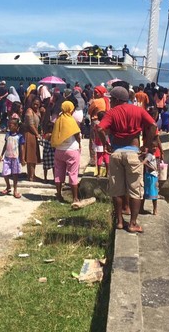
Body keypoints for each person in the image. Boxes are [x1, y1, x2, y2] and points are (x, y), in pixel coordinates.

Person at [96, 86, 157, 234]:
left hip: (116, 153)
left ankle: (119, 221)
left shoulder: (112, 113)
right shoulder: (138, 110)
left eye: (111, 99)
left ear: (117, 99)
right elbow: (153, 125)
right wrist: (147, 145)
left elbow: (99, 129)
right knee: (135, 190)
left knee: (117, 190)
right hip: (133, 153)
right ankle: (133, 224)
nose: (110, 101)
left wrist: (106, 144)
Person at [51, 101, 82, 204]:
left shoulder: (58, 120)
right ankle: (75, 198)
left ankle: (59, 195)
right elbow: (77, 135)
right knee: (73, 174)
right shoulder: (71, 120)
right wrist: (80, 144)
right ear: (71, 109)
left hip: (59, 150)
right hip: (72, 150)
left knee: (59, 173)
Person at [0, 118, 25, 198]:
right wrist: (1, 155)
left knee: (15, 175)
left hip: (15, 158)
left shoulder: (19, 136)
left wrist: (22, 159)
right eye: (8, 124)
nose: (9, 126)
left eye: (11, 125)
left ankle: (15, 190)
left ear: (16, 126)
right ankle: (8, 186)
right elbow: (5, 145)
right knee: (5, 173)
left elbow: (22, 148)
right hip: (7, 158)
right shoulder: (7, 134)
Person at [23, 98, 42, 181]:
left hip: (34, 134)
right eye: (34, 103)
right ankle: (31, 176)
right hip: (29, 134)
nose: (36, 105)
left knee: (34, 155)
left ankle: (32, 174)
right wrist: (37, 134)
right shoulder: (29, 111)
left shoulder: (37, 111)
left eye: (37, 104)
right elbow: (30, 124)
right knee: (31, 156)